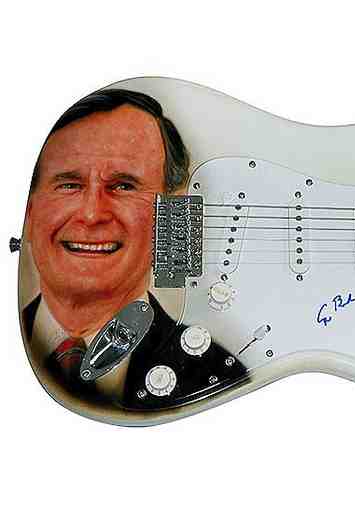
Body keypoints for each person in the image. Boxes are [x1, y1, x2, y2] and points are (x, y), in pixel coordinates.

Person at [23, 89, 246, 410]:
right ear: (29, 212)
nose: (92, 214)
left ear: (173, 217)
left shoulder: (219, 382)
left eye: (123, 186)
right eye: (69, 184)